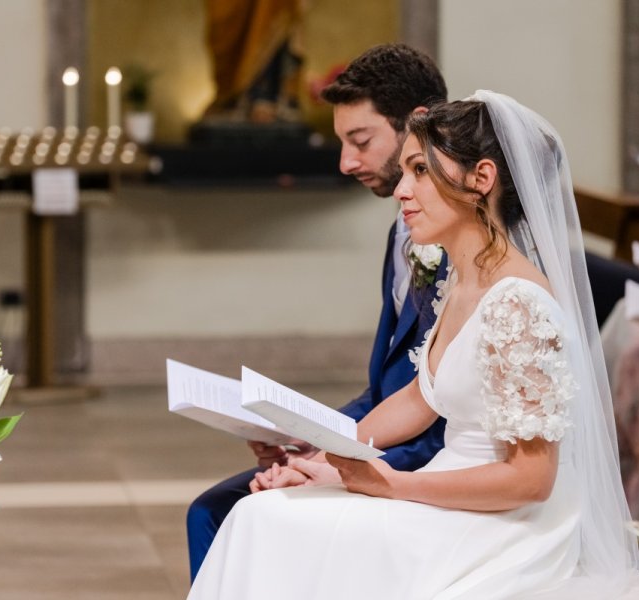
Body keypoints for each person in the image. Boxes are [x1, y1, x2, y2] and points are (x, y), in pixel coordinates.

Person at [188, 93, 639, 598]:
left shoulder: (520, 305)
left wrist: (393, 485)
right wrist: (327, 462)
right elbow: (420, 398)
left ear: (481, 180)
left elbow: (531, 479)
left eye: (419, 170)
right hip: (446, 492)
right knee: (261, 513)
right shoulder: (463, 281)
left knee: (269, 525)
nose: (402, 190)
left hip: (507, 527)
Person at [185, 43, 449, 581]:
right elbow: (386, 391)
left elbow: (445, 418)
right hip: (378, 445)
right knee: (215, 509)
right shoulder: (404, 231)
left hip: (424, 470)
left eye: (360, 141)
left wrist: (334, 465)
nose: (346, 162)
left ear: (416, 124)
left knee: (227, 514)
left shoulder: (460, 247)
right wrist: (312, 436)